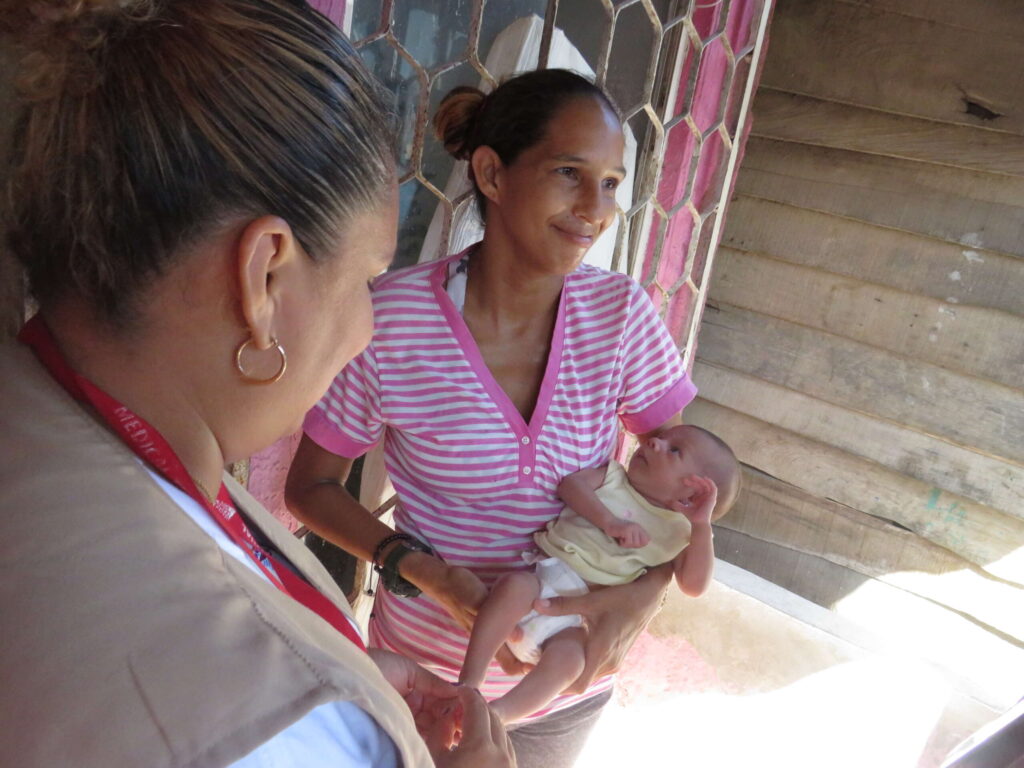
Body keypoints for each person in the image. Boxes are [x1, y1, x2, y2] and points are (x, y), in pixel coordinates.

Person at [0, 2, 514, 767]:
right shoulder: (276, 730)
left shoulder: (43, 404)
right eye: (365, 278)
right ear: (262, 275)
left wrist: (343, 684)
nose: (366, 326)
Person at [286, 68, 698, 768]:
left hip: (569, 681)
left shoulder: (621, 316)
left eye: (610, 183)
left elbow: (693, 485)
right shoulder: (391, 321)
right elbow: (311, 489)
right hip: (425, 682)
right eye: (570, 172)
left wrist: (642, 598)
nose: (595, 208)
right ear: (492, 173)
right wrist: (429, 574)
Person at [460, 425, 740, 723]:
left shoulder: (679, 533)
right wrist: (609, 522)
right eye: (663, 439)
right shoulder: (613, 477)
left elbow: (694, 586)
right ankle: (468, 684)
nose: (655, 441)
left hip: (574, 620)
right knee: (513, 586)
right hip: (541, 579)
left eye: (674, 450)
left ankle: (496, 716)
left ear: (691, 495)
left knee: (571, 662)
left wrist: (701, 527)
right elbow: (570, 486)